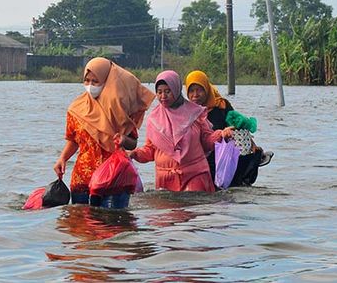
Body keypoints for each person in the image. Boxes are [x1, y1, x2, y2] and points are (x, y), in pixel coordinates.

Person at [53, 57, 155, 207]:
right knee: (81, 227)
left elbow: (132, 143)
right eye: (87, 81)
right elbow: (73, 141)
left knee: (112, 225)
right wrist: (62, 159)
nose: (90, 86)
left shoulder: (118, 109)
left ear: (107, 81)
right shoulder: (75, 109)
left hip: (113, 179)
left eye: (95, 82)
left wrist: (123, 140)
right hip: (82, 179)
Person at [128, 70, 233, 192]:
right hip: (165, 179)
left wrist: (221, 134)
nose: (163, 96)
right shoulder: (154, 119)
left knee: (193, 207)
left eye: (168, 91)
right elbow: (151, 150)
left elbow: (206, 141)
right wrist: (134, 154)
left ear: (176, 90)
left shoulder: (195, 113)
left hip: (195, 174)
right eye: (159, 92)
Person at [184, 70, 274, 187]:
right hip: (199, 156)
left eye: (199, 90)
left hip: (223, 152)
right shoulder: (185, 112)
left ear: (206, 89)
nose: (195, 95)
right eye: (191, 91)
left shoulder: (221, 106)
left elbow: (238, 127)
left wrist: (253, 146)